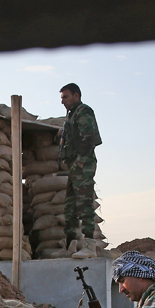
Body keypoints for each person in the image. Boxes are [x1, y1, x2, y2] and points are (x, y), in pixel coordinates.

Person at [58, 83, 102, 249]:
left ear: (76, 96)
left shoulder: (84, 111)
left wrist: (81, 161)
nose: (63, 101)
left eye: (66, 97)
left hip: (82, 164)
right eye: (62, 98)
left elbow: (89, 137)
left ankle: (89, 244)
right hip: (74, 165)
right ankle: (71, 243)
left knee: (84, 204)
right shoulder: (71, 116)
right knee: (70, 206)